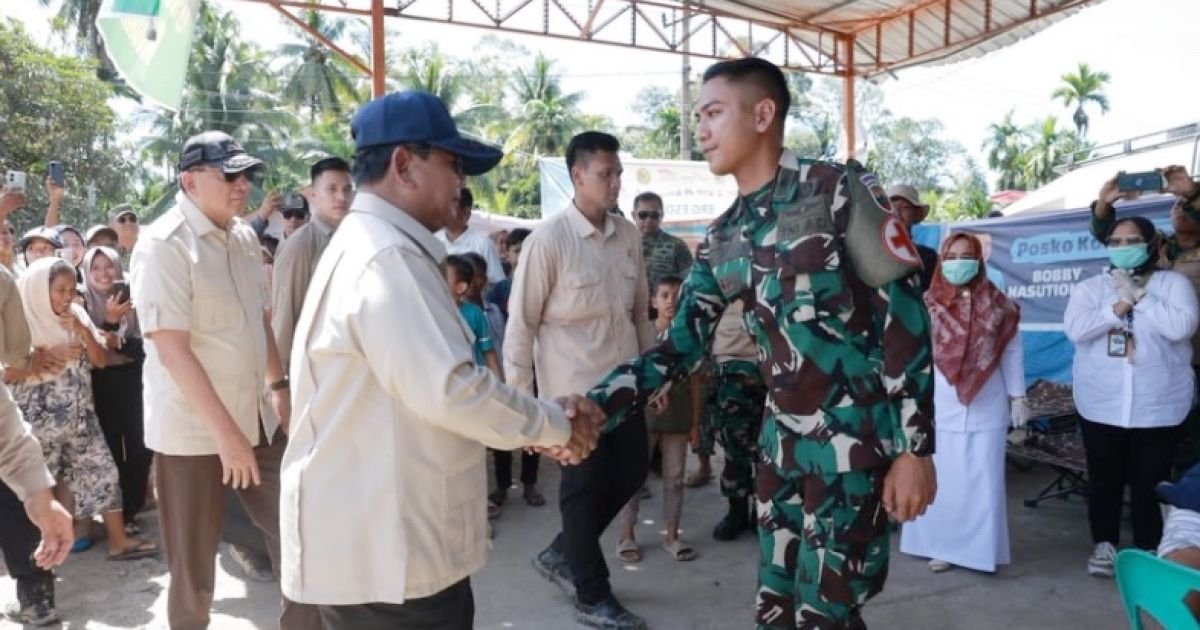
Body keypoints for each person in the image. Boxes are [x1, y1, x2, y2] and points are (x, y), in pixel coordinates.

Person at [582, 58, 936, 630]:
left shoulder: (836, 189)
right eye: (698, 116)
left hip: (854, 450)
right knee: (777, 611)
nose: (701, 129)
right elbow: (679, 347)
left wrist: (916, 449)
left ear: (764, 114)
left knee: (831, 614)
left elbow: (905, 319)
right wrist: (595, 405)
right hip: (780, 453)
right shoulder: (724, 236)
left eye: (714, 113)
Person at [279, 89, 601, 630]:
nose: (461, 183)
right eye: (452, 165)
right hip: (389, 562)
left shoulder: (377, 246)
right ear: (404, 164)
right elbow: (452, 390)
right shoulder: (386, 258)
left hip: (384, 546)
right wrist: (553, 424)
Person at [130, 130, 321, 630]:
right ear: (189, 180)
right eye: (229, 175)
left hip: (254, 421)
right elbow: (172, 349)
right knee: (194, 572)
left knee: (303, 535)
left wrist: (278, 388)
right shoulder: (163, 245)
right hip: (192, 435)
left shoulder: (241, 236)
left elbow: (257, 321)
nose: (242, 186)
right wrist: (226, 437)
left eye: (246, 176)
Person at [505, 130, 655, 630]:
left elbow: (641, 316)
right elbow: (521, 325)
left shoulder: (629, 235)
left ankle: (563, 551)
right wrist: (522, 409)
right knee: (583, 489)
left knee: (633, 470)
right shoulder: (548, 241)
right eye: (605, 173)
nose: (615, 182)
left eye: (618, 173)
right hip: (572, 398)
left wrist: (653, 373)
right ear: (578, 175)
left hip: (626, 389)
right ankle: (592, 594)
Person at [1065, 215, 1199, 578]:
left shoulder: (1173, 284)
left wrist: (1140, 296)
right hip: (1101, 403)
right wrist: (1118, 306)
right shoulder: (1091, 288)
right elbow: (1077, 330)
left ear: (1152, 243)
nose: (1123, 248)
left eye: (1132, 240)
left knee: (1149, 481)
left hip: (1158, 406)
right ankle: (1104, 544)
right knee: (1104, 479)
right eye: (1116, 241)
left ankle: (1148, 547)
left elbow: (1181, 327)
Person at [9, 257, 156, 561]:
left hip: (81, 419)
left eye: (70, 290)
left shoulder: (75, 314)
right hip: (37, 427)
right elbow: (6, 372)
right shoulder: (19, 321)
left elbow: (100, 360)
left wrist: (82, 330)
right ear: (38, 289)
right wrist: (42, 357)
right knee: (35, 492)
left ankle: (119, 541)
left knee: (104, 473)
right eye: (58, 290)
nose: (66, 297)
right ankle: (37, 563)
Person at [900, 233, 1025, 574]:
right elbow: (913, 357)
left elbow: (1011, 353)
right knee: (943, 479)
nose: (958, 263)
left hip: (987, 405)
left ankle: (976, 551)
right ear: (941, 261)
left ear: (979, 261)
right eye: (951, 256)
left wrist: (1018, 396)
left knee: (982, 482)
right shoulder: (927, 304)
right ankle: (935, 545)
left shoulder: (1001, 305)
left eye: (966, 255)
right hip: (937, 404)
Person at [1090, 166, 1200, 474]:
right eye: (1176, 204)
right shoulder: (1160, 245)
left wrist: (1192, 193)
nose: (1180, 209)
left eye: (1186, 205)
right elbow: (1113, 239)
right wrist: (1104, 204)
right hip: (1167, 355)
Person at [615, 275, 700, 564]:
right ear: (653, 301)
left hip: (678, 417)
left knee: (674, 478)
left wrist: (696, 423)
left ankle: (672, 536)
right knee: (633, 477)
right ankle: (627, 535)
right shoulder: (643, 335)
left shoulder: (689, 339)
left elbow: (697, 383)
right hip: (643, 417)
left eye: (677, 295)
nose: (671, 301)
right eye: (664, 295)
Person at [82, 246, 151, 532]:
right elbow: (89, 347)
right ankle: (116, 514)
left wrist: (120, 344)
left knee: (139, 447)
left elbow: (150, 345)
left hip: (136, 379)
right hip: (99, 384)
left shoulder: (138, 299)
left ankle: (131, 511)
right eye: (95, 268)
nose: (103, 273)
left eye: (108, 266)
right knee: (109, 448)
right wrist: (109, 321)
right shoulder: (81, 301)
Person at [271, 156, 354, 375]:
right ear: (315, 196)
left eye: (347, 189)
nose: (341, 197)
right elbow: (285, 315)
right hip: (309, 370)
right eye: (332, 189)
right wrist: (280, 381)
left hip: (343, 368)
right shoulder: (301, 244)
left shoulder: (353, 238)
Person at [705, 299, 768, 542]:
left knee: (769, 450)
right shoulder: (721, 265)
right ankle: (737, 512)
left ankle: (762, 514)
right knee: (733, 447)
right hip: (729, 366)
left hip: (769, 365)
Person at [436, 187, 506, 285]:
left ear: (466, 213)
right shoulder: (433, 240)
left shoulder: (483, 244)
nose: (442, 211)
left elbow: (499, 285)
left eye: (449, 207)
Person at [633, 191, 693, 293]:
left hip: (665, 307)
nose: (649, 220)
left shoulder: (677, 245)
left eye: (654, 215)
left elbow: (689, 282)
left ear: (662, 215)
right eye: (643, 215)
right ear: (634, 215)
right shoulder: (623, 243)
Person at [887, 184, 939, 292]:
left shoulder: (928, 256)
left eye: (904, 208)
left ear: (916, 214)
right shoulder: (874, 252)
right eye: (891, 208)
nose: (897, 213)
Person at [486, 228, 530, 319]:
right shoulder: (498, 291)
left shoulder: (544, 287)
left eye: (528, 250)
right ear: (507, 254)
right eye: (517, 251)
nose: (523, 255)